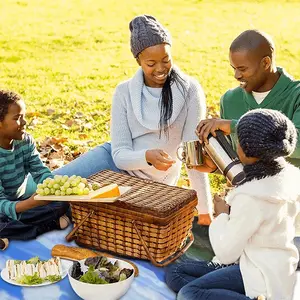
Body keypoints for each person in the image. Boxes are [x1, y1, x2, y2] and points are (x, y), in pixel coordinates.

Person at [53, 15, 213, 224]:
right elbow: (119, 155)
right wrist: (146, 156)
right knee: (49, 188)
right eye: (151, 63)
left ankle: (57, 217)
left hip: (150, 185)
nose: (160, 69)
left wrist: (204, 211)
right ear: (138, 61)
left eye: (166, 60)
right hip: (112, 164)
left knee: (75, 209)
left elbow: (193, 156)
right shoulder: (124, 92)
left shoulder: (190, 90)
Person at [165, 109, 300, 300]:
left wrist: (222, 215)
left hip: (258, 273)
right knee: (175, 274)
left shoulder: (251, 197)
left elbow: (226, 252)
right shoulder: (290, 177)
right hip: (274, 266)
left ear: (245, 150)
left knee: (189, 293)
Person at [195, 29, 300, 264]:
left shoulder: (296, 94)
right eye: (233, 68)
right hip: (247, 203)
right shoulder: (230, 100)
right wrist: (216, 165)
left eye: (242, 69)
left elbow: (298, 142)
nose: (236, 75)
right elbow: (242, 159)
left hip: (288, 208)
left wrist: (234, 126)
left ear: (266, 62)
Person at [0, 90, 70, 240]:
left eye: (24, 116)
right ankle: (45, 226)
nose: (24, 122)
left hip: (20, 201)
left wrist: (52, 189)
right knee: (3, 223)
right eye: (17, 118)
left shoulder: (25, 141)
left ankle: (17, 230)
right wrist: (30, 204)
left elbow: (40, 171)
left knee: (63, 203)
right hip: (5, 207)